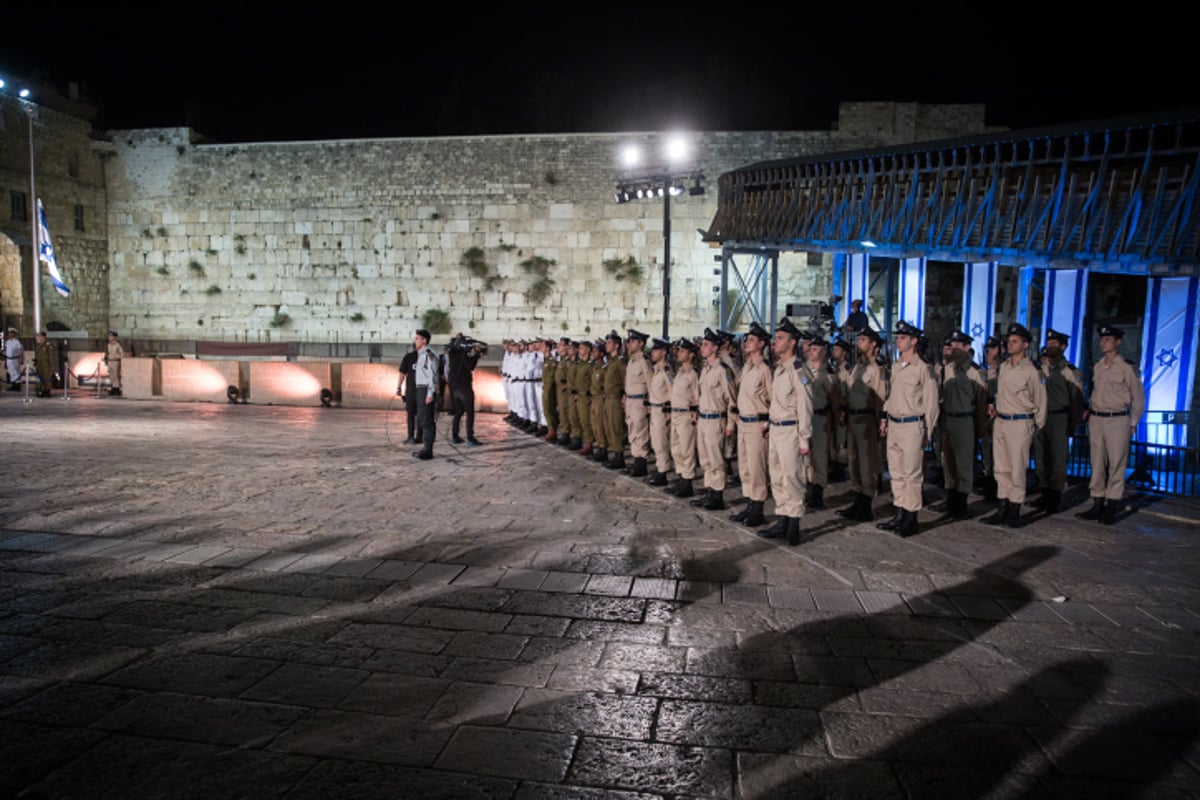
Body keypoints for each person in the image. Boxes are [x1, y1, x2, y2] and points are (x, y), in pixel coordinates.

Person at [1076, 324, 1146, 525]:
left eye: (1108, 339)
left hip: (1117, 419)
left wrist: (1133, 421)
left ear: (1118, 342)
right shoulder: (1098, 366)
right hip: (1097, 418)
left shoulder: (1127, 367)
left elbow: (1138, 397)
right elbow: (1097, 392)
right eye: (1102, 339)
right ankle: (1097, 503)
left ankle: (1111, 505)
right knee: (1096, 462)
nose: (1103, 342)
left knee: (1116, 463)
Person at [981, 323, 1047, 528]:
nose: (1010, 344)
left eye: (1015, 341)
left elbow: (1041, 401)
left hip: (1020, 422)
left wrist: (1037, 427)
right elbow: (1000, 392)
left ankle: (1014, 510)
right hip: (1001, 420)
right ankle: (1003, 506)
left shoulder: (1032, 370)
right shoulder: (1004, 366)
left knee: (1017, 468)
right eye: (1009, 341)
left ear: (1025, 344)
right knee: (1001, 468)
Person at [878, 320, 939, 538]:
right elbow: (891, 396)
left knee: (912, 473)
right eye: (898, 337)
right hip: (895, 423)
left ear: (914, 341)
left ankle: (911, 518)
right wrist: (885, 417)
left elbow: (931, 403)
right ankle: (899, 512)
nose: (898, 341)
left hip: (913, 425)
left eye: (903, 337)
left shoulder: (924, 368)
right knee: (896, 472)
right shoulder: (896, 366)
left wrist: (928, 432)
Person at [759, 317, 813, 546]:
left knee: (793, 477)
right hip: (777, 429)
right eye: (776, 338)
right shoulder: (779, 369)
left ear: (792, 343)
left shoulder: (798, 369)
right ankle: (782, 519)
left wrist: (804, 438)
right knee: (778, 477)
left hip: (792, 431)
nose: (775, 342)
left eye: (780, 338)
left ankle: (793, 525)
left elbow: (805, 405)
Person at [933, 331, 987, 519]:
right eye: (952, 346)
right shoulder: (946, 369)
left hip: (966, 421)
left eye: (958, 346)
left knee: (963, 464)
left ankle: (960, 505)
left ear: (967, 348)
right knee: (948, 462)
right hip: (948, 419)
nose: (954, 349)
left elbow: (981, 403)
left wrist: (981, 429)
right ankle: (950, 500)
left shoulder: (975, 372)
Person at [837, 328, 888, 522]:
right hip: (853, 419)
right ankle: (857, 500)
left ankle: (866, 505)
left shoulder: (878, 369)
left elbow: (881, 399)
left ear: (874, 344)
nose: (859, 342)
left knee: (868, 464)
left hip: (868, 420)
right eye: (858, 339)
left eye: (863, 339)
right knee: (854, 462)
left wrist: (880, 423)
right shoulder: (858, 367)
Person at [1033, 328, 1084, 513]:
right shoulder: (1041, 370)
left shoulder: (1071, 373)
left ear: (1063, 347)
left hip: (1059, 417)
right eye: (1049, 343)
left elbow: (1076, 403)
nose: (1050, 347)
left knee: (1057, 459)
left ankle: (1053, 499)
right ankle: (1044, 494)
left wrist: (1072, 425)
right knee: (1041, 458)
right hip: (1041, 417)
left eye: (1055, 344)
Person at [730, 322, 772, 527]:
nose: (746, 342)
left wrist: (768, 423)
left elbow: (774, 399)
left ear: (762, 344)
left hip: (758, 424)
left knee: (756, 468)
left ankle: (757, 509)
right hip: (744, 423)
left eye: (752, 340)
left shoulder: (764, 370)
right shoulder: (747, 367)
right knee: (745, 467)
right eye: (747, 339)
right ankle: (749, 504)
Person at [693, 328, 737, 510]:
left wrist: (731, 424)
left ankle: (717, 495)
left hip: (716, 418)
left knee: (716, 459)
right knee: (705, 458)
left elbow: (732, 399)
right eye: (702, 344)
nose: (702, 348)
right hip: (703, 418)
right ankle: (709, 491)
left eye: (706, 345)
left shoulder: (722, 371)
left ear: (715, 347)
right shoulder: (706, 369)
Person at [667, 337, 700, 499]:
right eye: (678, 350)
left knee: (687, 449)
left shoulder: (693, 374)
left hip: (687, 414)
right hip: (675, 413)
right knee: (676, 448)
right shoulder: (680, 373)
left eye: (682, 351)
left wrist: (696, 414)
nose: (678, 353)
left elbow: (697, 396)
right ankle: (681, 478)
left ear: (691, 354)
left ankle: (687, 482)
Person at [645, 337, 675, 487]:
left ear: (663, 353)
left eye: (656, 350)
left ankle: (663, 472)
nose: (653, 353)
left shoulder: (666, 370)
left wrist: (669, 411)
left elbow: (672, 391)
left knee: (661, 442)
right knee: (656, 442)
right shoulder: (656, 369)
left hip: (662, 410)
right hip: (654, 409)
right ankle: (659, 468)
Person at [622, 329, 652, 477]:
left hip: (640, 400)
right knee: (632, 429)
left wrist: (650, 403)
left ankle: (641, 462)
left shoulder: (644, 361)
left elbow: (650, 382)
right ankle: (636, 459)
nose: (630, 344)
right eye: (630, 341)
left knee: (640, 431)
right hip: (630, 399)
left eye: (633, 341)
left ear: (641, 344)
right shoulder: (631, 360)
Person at [445, 333, 483, 446]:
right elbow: (470, 366)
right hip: (463, 386)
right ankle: (470, 438)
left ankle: (454, 435)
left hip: (454, 386)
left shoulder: (452, 353)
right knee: (469, 412)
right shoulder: (461, 354)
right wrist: (476, 355)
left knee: (458, 411)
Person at [410, 329, 439, 460]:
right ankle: (426, 448)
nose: (414, 341)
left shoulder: (429, 354)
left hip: (426, 389)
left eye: (417, 339)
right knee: (422, 419)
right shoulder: (421, 354)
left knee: (427, 420)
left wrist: (430, 393)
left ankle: (428, 450)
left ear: (424, 340)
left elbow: (433, 375)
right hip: (420, 389)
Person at [602, 331, 628, 469]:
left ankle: (619, 456)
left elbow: (625, 380)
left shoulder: (620, 362)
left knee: (616, 427)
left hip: (615, 398)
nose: (606, 345)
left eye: (609, 343)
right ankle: (615, 453)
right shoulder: (610, 362)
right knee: (608, 427)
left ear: (617, 346)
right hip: (607, 398)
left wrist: (625, 395)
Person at [397, 347, 422, 444]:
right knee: (420, 414)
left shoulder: (409, 357)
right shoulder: (425, 356)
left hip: (412, 391)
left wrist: (398, 387)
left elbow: (402, 373)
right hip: (419, 391)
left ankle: (411, 436)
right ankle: (419, 436)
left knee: (411, 415)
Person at [34, 331, 56, 397]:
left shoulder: (48, 345)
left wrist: (51, 364)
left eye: (41, 336)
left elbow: (50, 355)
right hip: (39, 363)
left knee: (46, 377)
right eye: (39, 336)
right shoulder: (38, 345)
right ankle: (42, 389)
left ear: (44, 337)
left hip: (45, 363)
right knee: (41, 377)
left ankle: (47, 390)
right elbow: (37, 354)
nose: (39, 337)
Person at [104, 331, 124, 396]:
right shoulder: (108, 344)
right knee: (111, 375)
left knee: (116, 375)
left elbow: (122, 354)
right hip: (110, 361)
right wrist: (106, 358)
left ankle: (117, 389)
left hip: (115, 361)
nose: (110, 337)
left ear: (115, 337)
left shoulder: (118, 344)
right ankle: (113, 387)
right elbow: (107, 352)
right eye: (109, 336)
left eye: (111, 336)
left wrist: (117, 357)